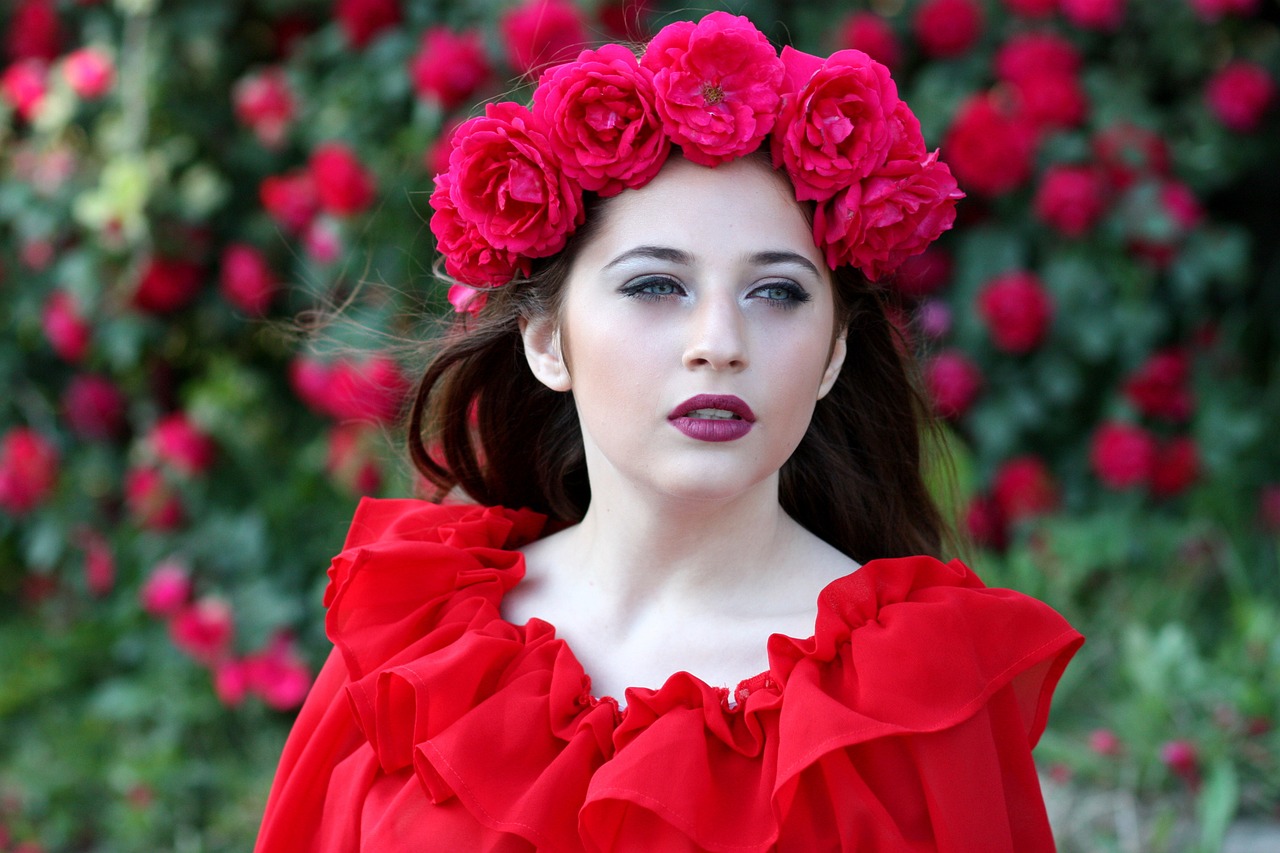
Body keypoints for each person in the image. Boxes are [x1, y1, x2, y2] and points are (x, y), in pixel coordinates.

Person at [255, 12, 1082, 852]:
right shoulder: (412, 649)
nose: (719, 343)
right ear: (545, 340)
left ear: (834, 353)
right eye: (655, 285)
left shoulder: (920, 683)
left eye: (778, 293)